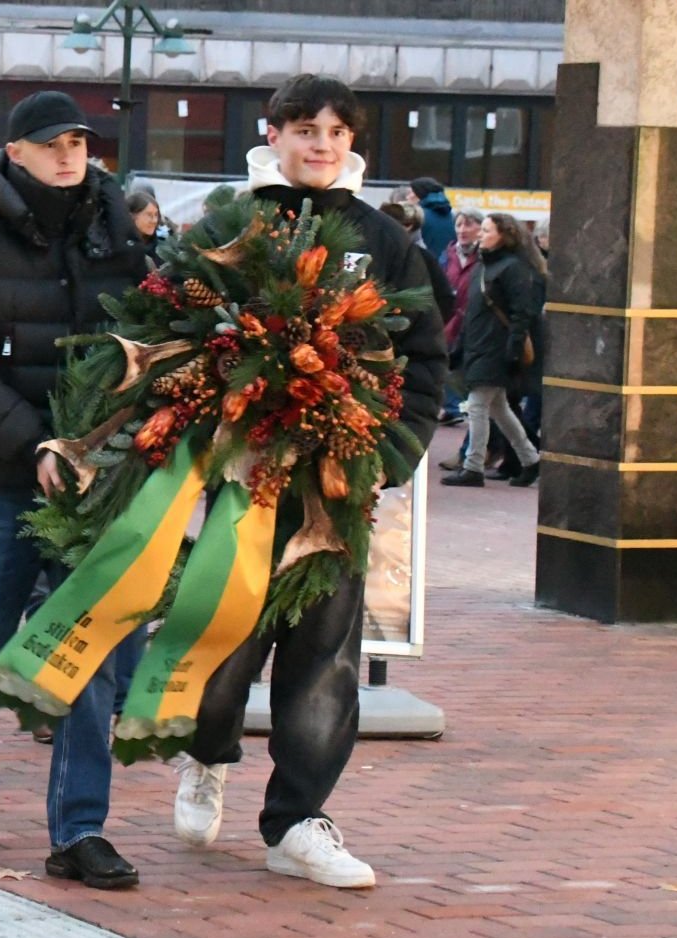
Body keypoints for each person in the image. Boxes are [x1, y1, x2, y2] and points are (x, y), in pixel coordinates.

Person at [172, 75, 446, 890]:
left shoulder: (386, 239)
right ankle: (206, 755)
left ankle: (297, 820)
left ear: (352, 141)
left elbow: (423, 357)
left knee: (324, 658)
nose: (320, 143)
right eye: (304, 128)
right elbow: (178, 341)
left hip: (337, 485)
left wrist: (390, 454)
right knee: (225, 640)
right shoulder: (230, 225)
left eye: (335, 130)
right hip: (244, 481)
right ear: (274, 133)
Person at [0, 91, 152, 888]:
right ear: (14, 152)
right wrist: (34, 444)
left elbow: (151, 348)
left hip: (98, 482)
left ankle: (79, 830)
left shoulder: (118, 236)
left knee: (88, 652)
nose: (69, 154)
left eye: (80, 142)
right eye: (52, 143)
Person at [442, 213, 543, 489]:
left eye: (486, 230)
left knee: (477, 406)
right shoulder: (486, 267)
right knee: (499, 409)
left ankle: (473, 465)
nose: (480, 234)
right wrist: (460, 346)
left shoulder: (512, 269)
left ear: (504, 235)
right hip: (482, 345)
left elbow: (522, 313)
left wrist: (512, 350)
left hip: (495, 348)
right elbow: (472, 312)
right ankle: (530, 459)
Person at [438, 209, 484, 426]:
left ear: (480, 229)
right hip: (449, 321)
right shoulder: (448, 255)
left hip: (474, 323)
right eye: (459, 225)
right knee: (448, 364)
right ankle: (453, 405)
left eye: (468, 225)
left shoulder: (484, 257)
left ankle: (458, 405)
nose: (462, 230)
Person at [411, 177, 455, 259]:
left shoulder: (417, 217)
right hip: (448, 267)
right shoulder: (453, 216)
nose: (408, 196)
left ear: (419, 194)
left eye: (412, 192)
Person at [127, 191, 163, 265]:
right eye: (149, 215)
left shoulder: (162, 247)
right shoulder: (119, 246)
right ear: (132, 216)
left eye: (156, 215)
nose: (154, 220)